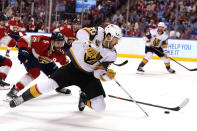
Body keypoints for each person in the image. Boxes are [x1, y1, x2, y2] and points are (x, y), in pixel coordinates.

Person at [9, 24, 122, 113]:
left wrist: (106, 76)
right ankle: (22, 98)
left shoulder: (112, 54)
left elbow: (98, 73)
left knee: (100, 107)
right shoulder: (99, 32)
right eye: (116, 39)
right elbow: (81, 32)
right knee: (49, 84)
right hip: (72, 68)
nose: (117, 42)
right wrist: (88, 45)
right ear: (108, 36)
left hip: (89, 77)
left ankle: (84, 99)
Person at [6, 32, 71, 100]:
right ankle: (14, 90)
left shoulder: (61, 53)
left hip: (46, 61)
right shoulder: (42, 41)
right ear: (52, 42)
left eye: (62, 43)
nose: (60, 46)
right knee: (34, 72)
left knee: (56, 73)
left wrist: (69, 63)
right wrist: (23, 49)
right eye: (58, 43)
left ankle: (58, 87)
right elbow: (23, 39)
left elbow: (63, 63)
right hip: (32, 56)